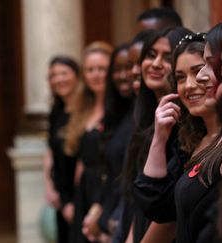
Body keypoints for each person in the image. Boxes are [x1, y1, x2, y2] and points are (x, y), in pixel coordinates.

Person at [134, 30, 222, 242]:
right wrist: (159, 137)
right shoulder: (190, 141)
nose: (192, 84)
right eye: (181, 78)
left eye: (202, 69)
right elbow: (159, 208)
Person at [114, 26, 191, 243]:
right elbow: (136, 200)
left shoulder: (185, 124)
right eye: (150, 55)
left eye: (167, 57)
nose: (155, 64)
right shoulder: (144, 120)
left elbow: (171, 216)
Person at [81, 43, 135, 242]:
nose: (123, 75)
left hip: (121, 210)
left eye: (101, 69)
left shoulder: (135, 115)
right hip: (101, 200)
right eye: (117, 69)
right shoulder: (116, 114)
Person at [64, 41, 112, 243]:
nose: (96, 74)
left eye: (102, 69)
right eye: (90, 69)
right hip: (84, 190)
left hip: (108, 188)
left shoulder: (117, 110)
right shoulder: (82, 107)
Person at [44, 55, 81, 243]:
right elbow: (51, 151)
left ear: (76, 75)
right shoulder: (56, 111)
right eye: (53, 75)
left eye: (64, 73)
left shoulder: (87, 110)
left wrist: (71, 201)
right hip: (61, 195)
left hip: (81, 194)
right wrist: (50, 187)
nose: (59, 79)